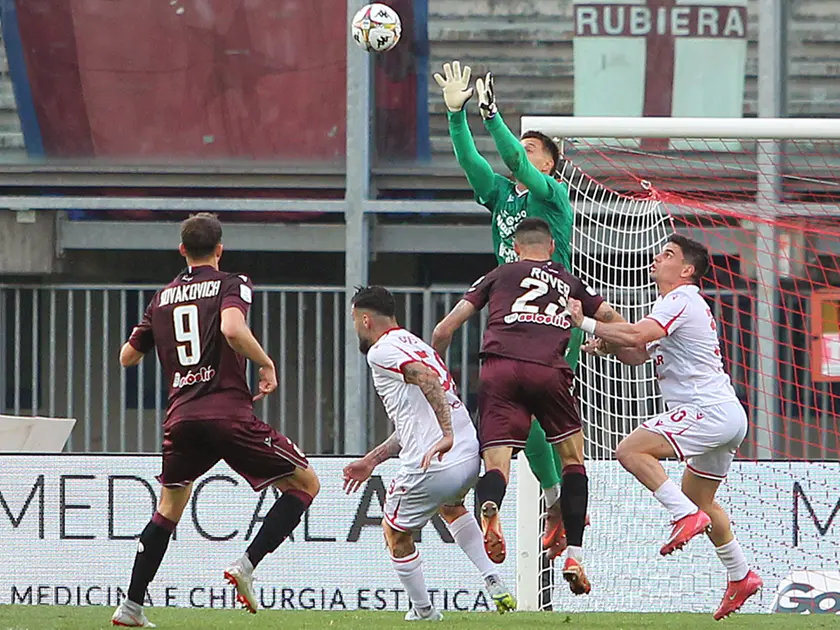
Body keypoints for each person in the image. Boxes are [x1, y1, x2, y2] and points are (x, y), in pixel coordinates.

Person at [110, 213, 319, 627]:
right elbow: (232, 328)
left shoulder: (162, 297)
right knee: (305, 484)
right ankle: (246, 565)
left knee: (169, 507)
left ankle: (131, 606)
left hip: (181, 418)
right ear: (219, 249)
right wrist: (265, 362)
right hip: (227, 413)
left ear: (182, 250)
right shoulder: (231, 283)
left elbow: (127, 357)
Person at [566, 233, 762, 619]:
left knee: (630, 450)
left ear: (687, 270)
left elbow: (637, 334)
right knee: (701, 500)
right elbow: (638, 352)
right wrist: (608, 345)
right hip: (726, 414)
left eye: (668, 254)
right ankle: (741, 575)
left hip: (706, 410)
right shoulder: (674, 304)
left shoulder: (681, 298)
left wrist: (585, 322)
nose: (657, 258)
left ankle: (684, 516)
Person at [434, 60, 585, 555]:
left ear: (550, 165)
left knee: (541, 418)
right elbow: (471, 162)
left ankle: (558, 502)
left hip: (553, 319)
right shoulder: (501, 196)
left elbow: (515, 161)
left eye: (534, 147)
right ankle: (554, 501)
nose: (523, 151)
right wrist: (456, 115)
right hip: (509, 318)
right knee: (519, 416)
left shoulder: (553, 196)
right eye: (525, 144)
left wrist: (493, 116)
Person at [432, 218, 622, 595]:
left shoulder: (498, 274)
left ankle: (490, 507)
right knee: (572, 461)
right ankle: (575, 556)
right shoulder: (568, 281)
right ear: (551, 247)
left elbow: (444, 329)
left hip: (499, 369)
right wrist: (609, 343)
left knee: (497, 464)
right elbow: (610, 318)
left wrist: (439, 377)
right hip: (548, 370)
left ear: (516, 248)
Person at [342, 286, 516, 620]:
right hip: (468, 456)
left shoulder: (380, 351)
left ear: (365, 320)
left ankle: (423, 611)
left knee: (395, 532)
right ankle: (492, 578)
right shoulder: (418, 345)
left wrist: (445, 435)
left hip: (436, 461)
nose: (355, 328)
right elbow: (412, 423)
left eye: (353, 320)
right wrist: (372, 460)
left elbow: (427, 380)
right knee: (451, 507)